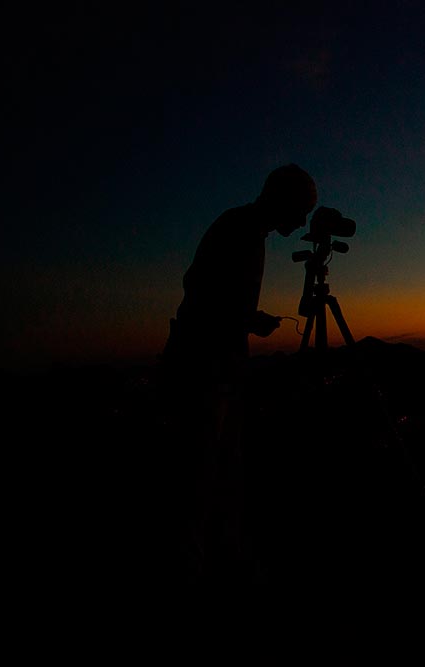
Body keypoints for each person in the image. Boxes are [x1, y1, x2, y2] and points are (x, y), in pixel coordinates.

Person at [157, 164, 318, 584]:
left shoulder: (247, 231)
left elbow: (214, 293)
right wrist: (246, 318)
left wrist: (249, 317)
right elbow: (203, 291)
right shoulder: (240, 229)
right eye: (300, 211)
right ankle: (190, 571)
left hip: (218, 367)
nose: (302, 223)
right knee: (197, 476)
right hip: (204, 369)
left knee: (220, 472)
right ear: (280, 199)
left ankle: (222, 558)